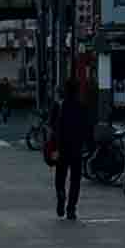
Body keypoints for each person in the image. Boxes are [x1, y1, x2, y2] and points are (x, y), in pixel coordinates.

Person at [48, 76, 93, 222]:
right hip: (76, 148)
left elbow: (51, 126)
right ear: (77, 90)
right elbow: (87, 128)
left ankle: (61, 195)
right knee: (75, 180)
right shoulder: (82, 106)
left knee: (60, 176)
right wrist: (89, 145)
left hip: (61, 148)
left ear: (65, 90)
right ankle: (71, 209)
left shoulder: (59, 106)